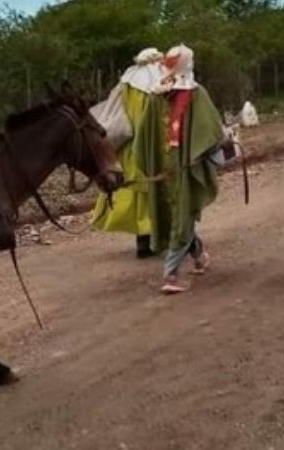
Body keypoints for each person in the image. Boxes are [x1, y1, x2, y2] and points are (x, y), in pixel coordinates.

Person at [151, 44, 224, 294]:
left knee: (182, 214)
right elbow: (212, 131)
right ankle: (173, 272)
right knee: (183, 216)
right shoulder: (193, 93)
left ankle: (195, 259)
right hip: (182, 166)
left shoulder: (158, 95)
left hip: (166, 166)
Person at [91, 48, 166, 258]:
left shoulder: (126, 83)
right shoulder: (156, 85)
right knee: (154, 191)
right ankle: (158, 239)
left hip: (128, 149)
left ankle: (143, 241)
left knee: (135, 194)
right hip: (151, 148)